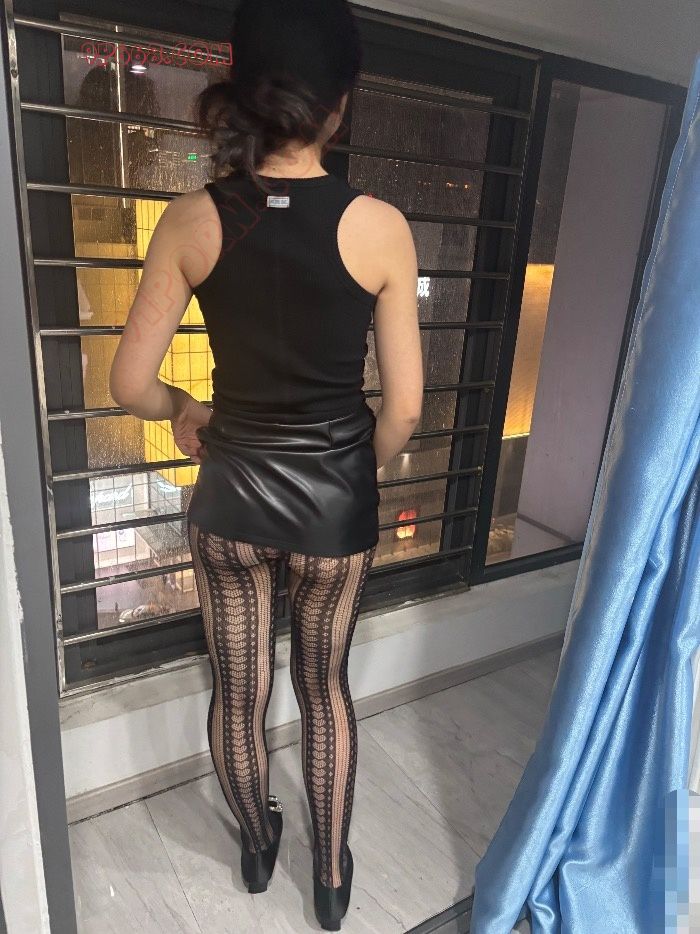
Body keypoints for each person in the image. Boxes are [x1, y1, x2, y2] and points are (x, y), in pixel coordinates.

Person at [109, 0, 423, 928]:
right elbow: (405, 408)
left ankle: (256, 847)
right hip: (333, 508)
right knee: (325, 692)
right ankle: (330, 882)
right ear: (340, 105)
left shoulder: (192, 219)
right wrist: (353, 472)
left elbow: (129, 384)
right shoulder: (381, 226)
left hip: (230, 504)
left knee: (238, 693)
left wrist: (184, 407)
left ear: (243, 91)